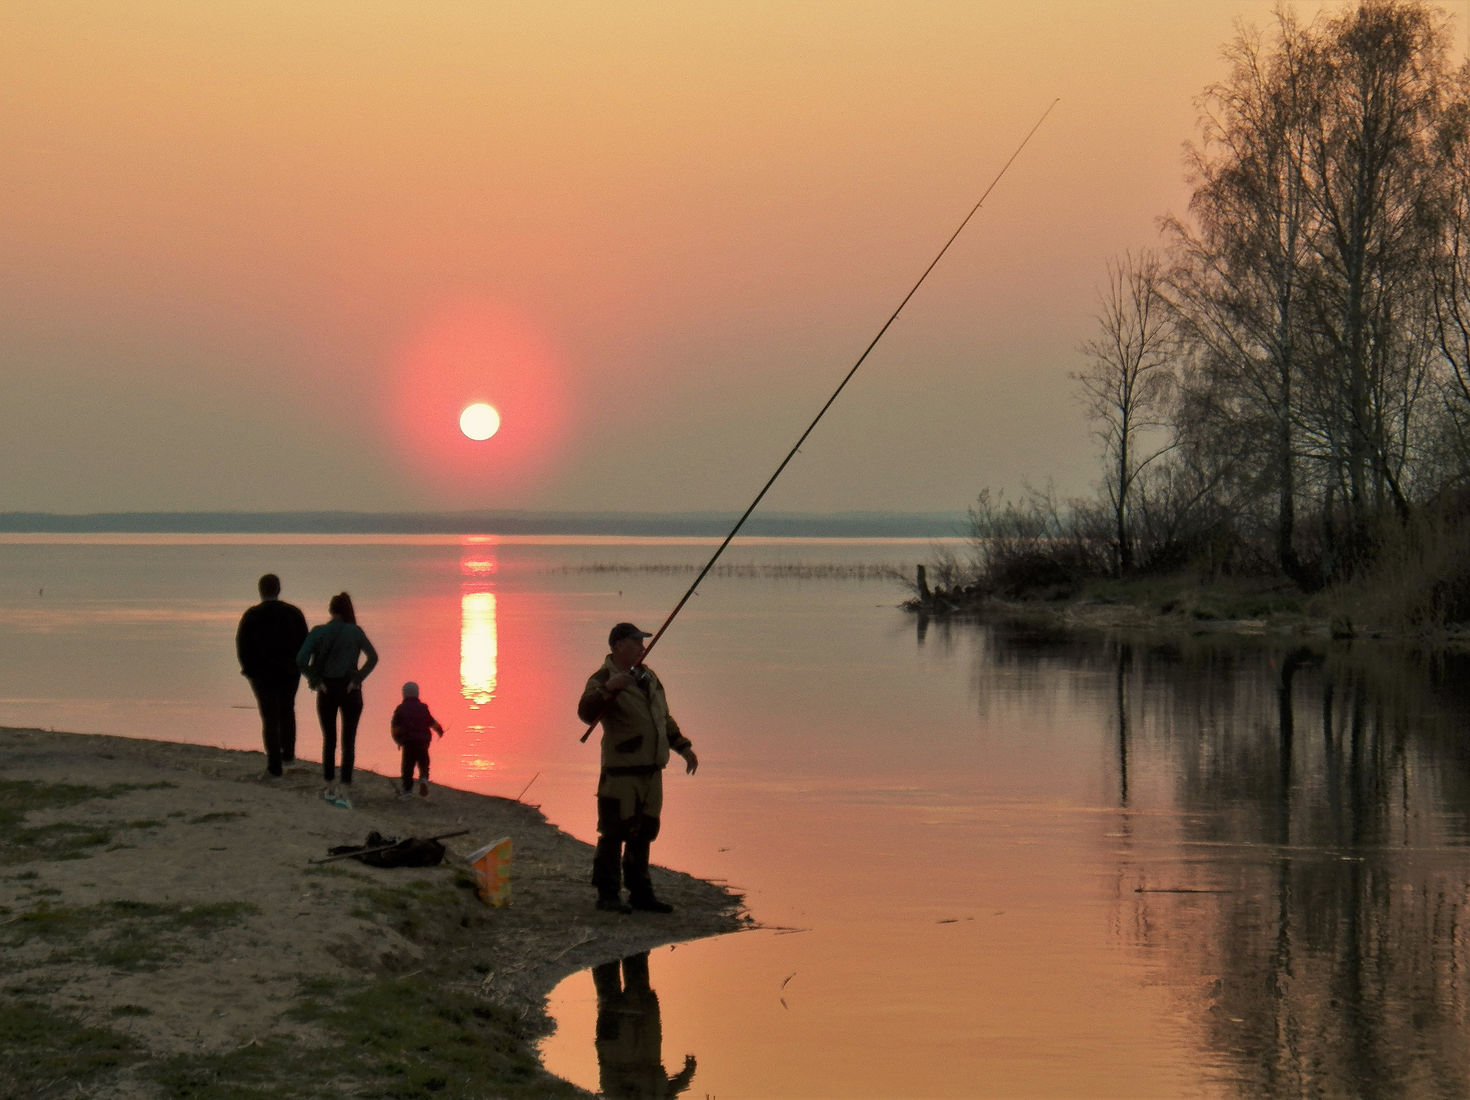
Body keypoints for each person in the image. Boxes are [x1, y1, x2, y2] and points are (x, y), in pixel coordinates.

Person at [577, 622, 698, 914]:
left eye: (642, 643)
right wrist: (609, 689)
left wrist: (683, 747)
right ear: (618, 646)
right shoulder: (602, 677)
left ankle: (640, 894)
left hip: (651, 771)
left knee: (644, 832)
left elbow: (663, 718)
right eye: (635, 643)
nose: (642, 648)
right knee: (613, 832)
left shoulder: (649, 676)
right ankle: (607, 895)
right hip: (621, 772)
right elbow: (585, 713)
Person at [297, 592, 378, 809]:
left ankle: (329, 786)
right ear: (347, 610)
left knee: (329, 739)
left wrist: (316, 681)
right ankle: (344, 790)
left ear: (331, 610)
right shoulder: (355, 632)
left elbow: (300, 660)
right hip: (350, 689)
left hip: (327, 689)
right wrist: (358, 678)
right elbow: (373, 657)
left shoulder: (318, 632)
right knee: (348, 742)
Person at [234, 573, 308, 778]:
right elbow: (305, 642)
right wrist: (300, 667)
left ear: (260, 590)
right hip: (289, 672)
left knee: (269, 716)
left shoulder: (252, 615)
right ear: (278, 589)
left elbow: (242, 644)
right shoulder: (293, 613)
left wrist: (249, 670)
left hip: (262, 674)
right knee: (287, 712)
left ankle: (274, 764)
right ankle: (288, 757)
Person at [390, 681, 444, 800]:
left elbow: (395, 728)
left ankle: (407, 791)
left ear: (404, 694)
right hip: (423, 742)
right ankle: (424, 779)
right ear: (417, 693)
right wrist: (440, 730)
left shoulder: (400, 709)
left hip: (408, 743)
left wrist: (398, 740)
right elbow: (432, 722)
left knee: (407, 767)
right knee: (424, 763)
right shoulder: (423, 708)